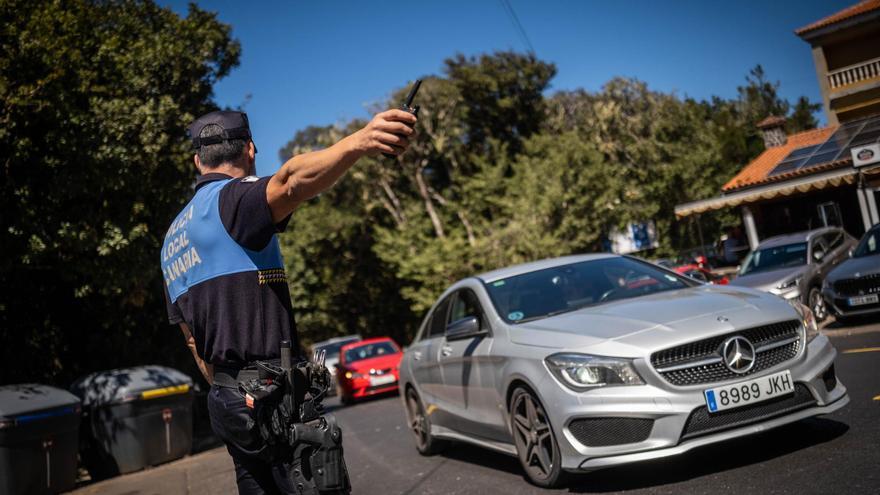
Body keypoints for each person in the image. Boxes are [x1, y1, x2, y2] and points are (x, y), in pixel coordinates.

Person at [160, 108, 415, 494]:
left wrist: (233, 392)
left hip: (227, 401)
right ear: (250, 150)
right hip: (272, 401)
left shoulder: (170, 241)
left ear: (198, 161)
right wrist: (360, 141)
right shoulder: (232, 201)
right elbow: (292, 181)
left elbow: (193, 341)